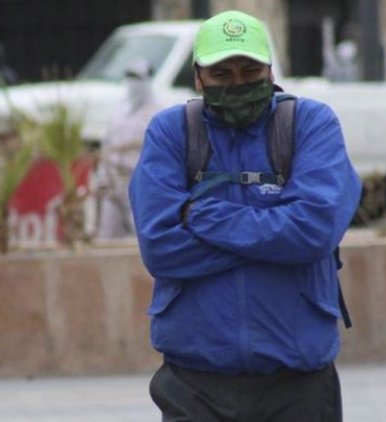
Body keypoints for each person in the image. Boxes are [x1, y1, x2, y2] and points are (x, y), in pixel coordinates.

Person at [128, 10, 362, 421]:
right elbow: (161, 248)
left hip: (298, 383)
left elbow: (314, 232)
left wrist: (199, 214)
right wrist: (275, 229)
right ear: (199, 78)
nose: (238, 82)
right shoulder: (170, 132)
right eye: (222, 73)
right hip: (194, 386)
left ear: (270, 70)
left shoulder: (311, 124)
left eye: (249, 70)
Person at [96, 59, 161, 239]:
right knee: (107, 234)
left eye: (138, 77)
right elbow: (107, 145)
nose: (133, 83)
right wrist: (102, 177)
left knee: (140, 232)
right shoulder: (120, 109)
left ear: (147, 79)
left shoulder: (157, 112)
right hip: (114, 178)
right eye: (130, 77)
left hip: (139, 180)